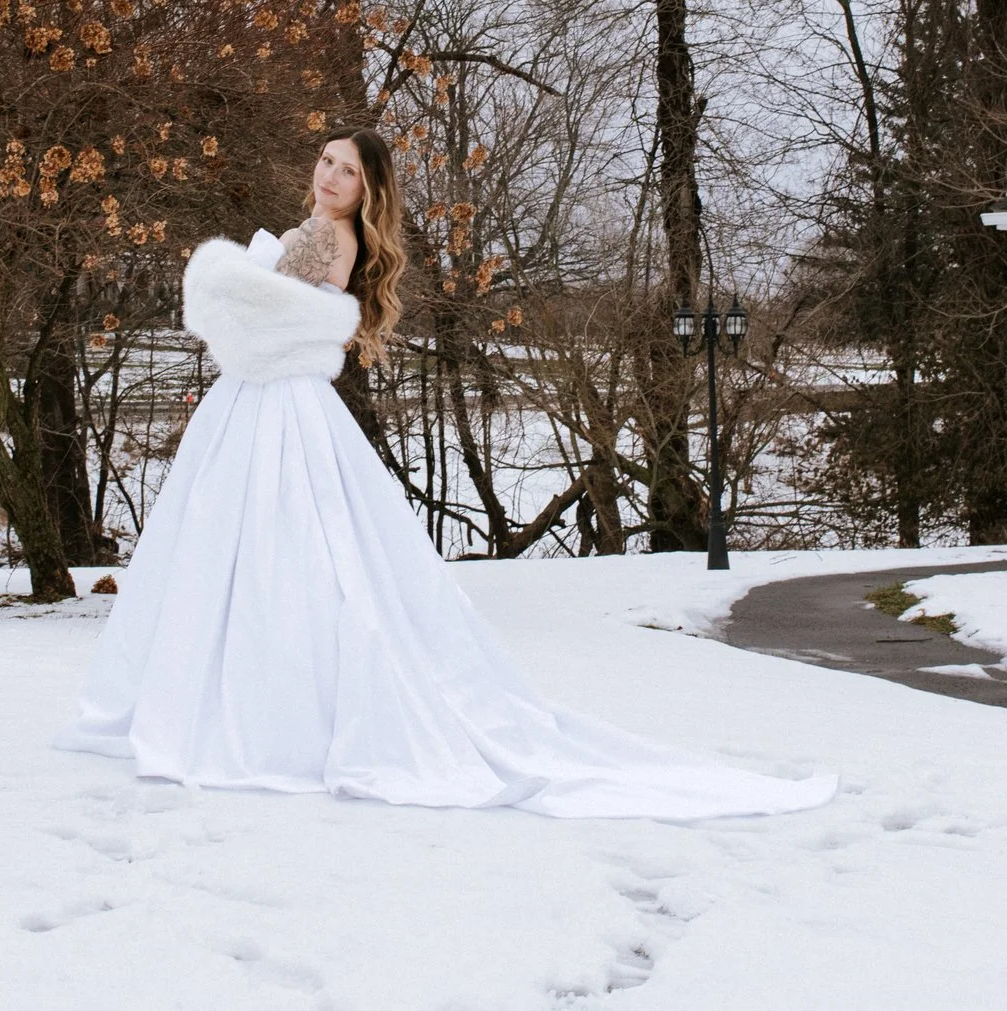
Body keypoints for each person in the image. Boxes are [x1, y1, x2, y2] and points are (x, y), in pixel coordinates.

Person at [55, 128, 836, 819]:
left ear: (368, 190)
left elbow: (290, 316)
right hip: (259, 397)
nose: (328, 176)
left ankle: (261, 711)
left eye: (347, 172)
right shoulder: (311, 230)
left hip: (280, 403)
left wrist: (235, 293)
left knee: (291, 547)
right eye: (326, 161)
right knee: (241, 546)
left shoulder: (330, 241)